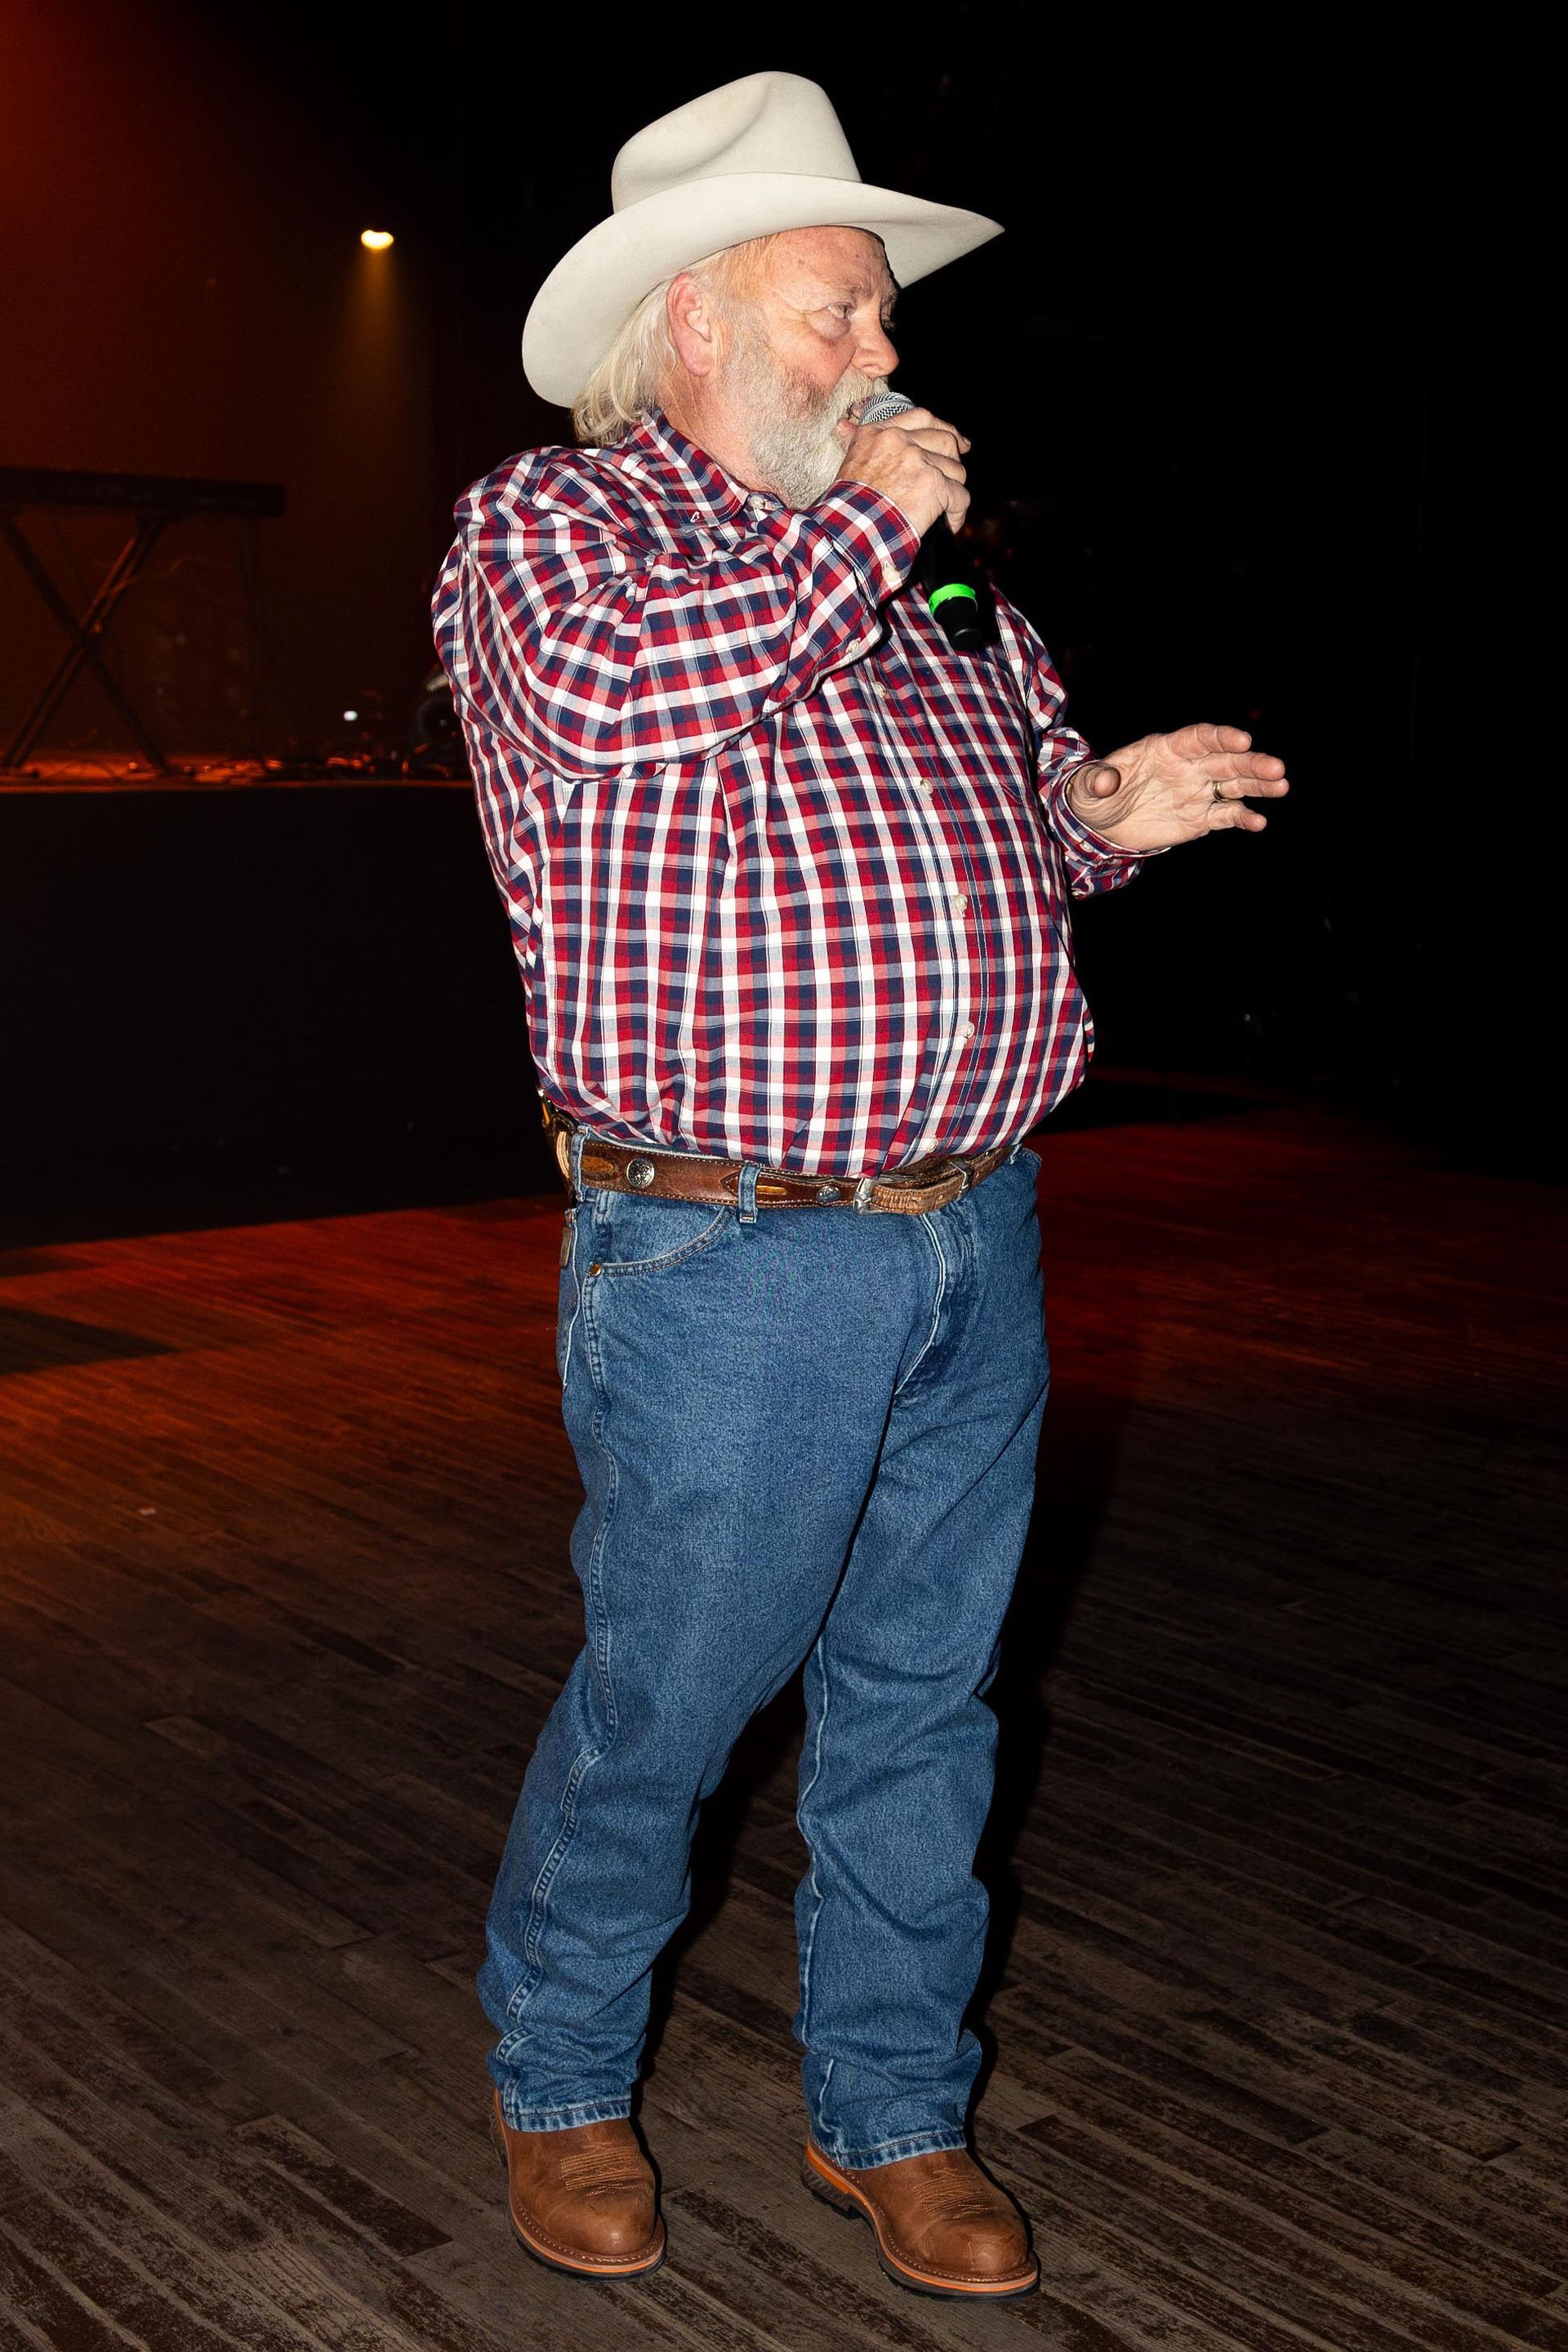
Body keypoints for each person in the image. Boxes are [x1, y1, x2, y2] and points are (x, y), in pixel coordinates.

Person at [433, 69, 1287, 2303]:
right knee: (674, 1699)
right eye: (842, 309)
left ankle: (895, 2112)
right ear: (699, 320)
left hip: (976, 1225)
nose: (884, 354)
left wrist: (1100, 811)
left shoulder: (928, 581)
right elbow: (627, 717)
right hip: (728, 1250)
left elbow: (1013, 811)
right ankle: (561, 2075)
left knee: (927, 1696)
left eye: (884, 316)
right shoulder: (556, 532)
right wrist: (868, 534)